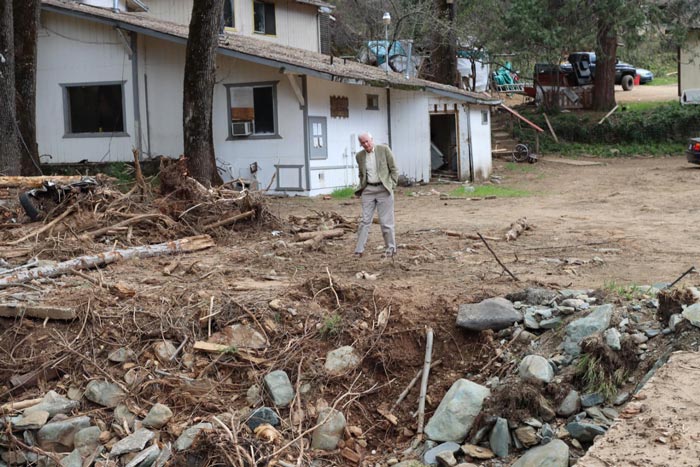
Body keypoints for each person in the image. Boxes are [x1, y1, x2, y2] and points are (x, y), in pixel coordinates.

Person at [353, 132, 399, 257]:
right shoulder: (359, 156)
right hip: (368, 190)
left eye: (367, 141)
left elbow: (394, 169)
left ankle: (391, 248)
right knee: (365, 221)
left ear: (372, 140)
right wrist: (362, 186)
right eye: (363, 142)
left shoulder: (384, 150)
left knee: (386, 221)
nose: (365, 144)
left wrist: (392, 185)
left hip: (384, 189)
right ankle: (359, 250)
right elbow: (361, 173)